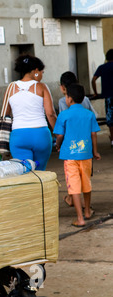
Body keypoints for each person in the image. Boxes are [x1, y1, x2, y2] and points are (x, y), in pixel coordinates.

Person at [54, 83, 101, 227]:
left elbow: (60, 135)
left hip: (70, 157)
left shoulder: (63, 115)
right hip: (86, 155)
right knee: (86, 183)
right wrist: (95, 151)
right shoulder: (89, 114)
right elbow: (93, 134)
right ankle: (87, 211)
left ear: (69, 98)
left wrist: (58, 145)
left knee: (73, 186)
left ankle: (80, 218)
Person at [5, 54, 57, 170]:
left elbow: (6, 114)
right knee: (40, 173)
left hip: (18, 136)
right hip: (40, 135)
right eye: (42, 72)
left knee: (24, 173)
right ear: (36, 71)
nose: (42, 75)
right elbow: (50, 114)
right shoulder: (41, 87)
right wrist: (59, 134)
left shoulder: (11, 88)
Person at [59, 71, 97, 208]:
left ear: (62, 87)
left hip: (71, 146)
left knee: (73, 176)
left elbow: (62, 126)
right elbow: (94, 116)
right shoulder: (85, 99)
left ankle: (73, 200)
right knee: (86, 175)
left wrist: (59, 144)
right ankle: (86, 207)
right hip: (86, 145)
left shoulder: (63, 102)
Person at [91, 49, 113, 147]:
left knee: (111, 119)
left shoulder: (102, 67)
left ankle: (112, 139)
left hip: (108, 97)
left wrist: (95, 93)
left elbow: (93, 80)